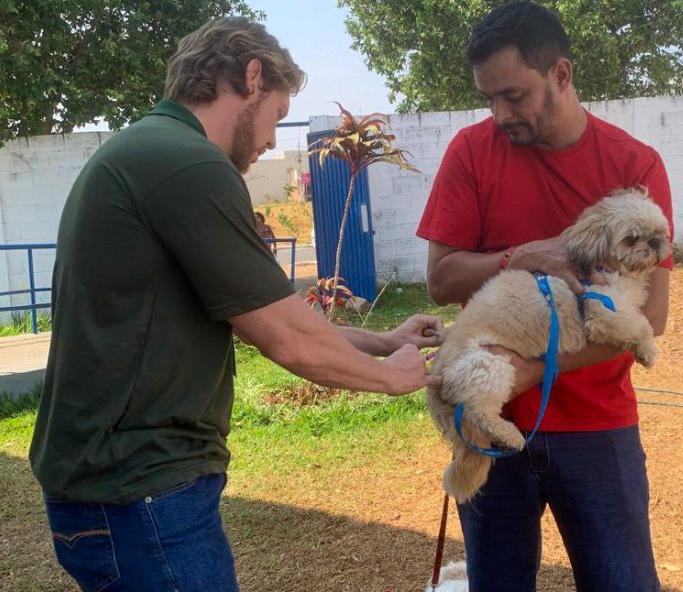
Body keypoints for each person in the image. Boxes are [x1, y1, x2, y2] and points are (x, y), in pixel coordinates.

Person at [29, 16, 442, 592]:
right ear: (251, 77)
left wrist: (386, 341)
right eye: (275, 113)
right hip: (141, 488)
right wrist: (391, 377)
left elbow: (268, 314)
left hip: (117, 485)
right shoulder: (189, 163)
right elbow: (288, 339)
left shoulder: (146, 149)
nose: (273, 139)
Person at [416, 2, 674, 591]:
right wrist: (521, 256)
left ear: (561, 73)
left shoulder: (633, 165)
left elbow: (651, 316)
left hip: (597, 428)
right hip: (491, 416)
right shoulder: (471, 151)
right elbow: (441, 278)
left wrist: (533, 370)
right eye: (489, 99)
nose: (500, 114)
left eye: (515, 95)